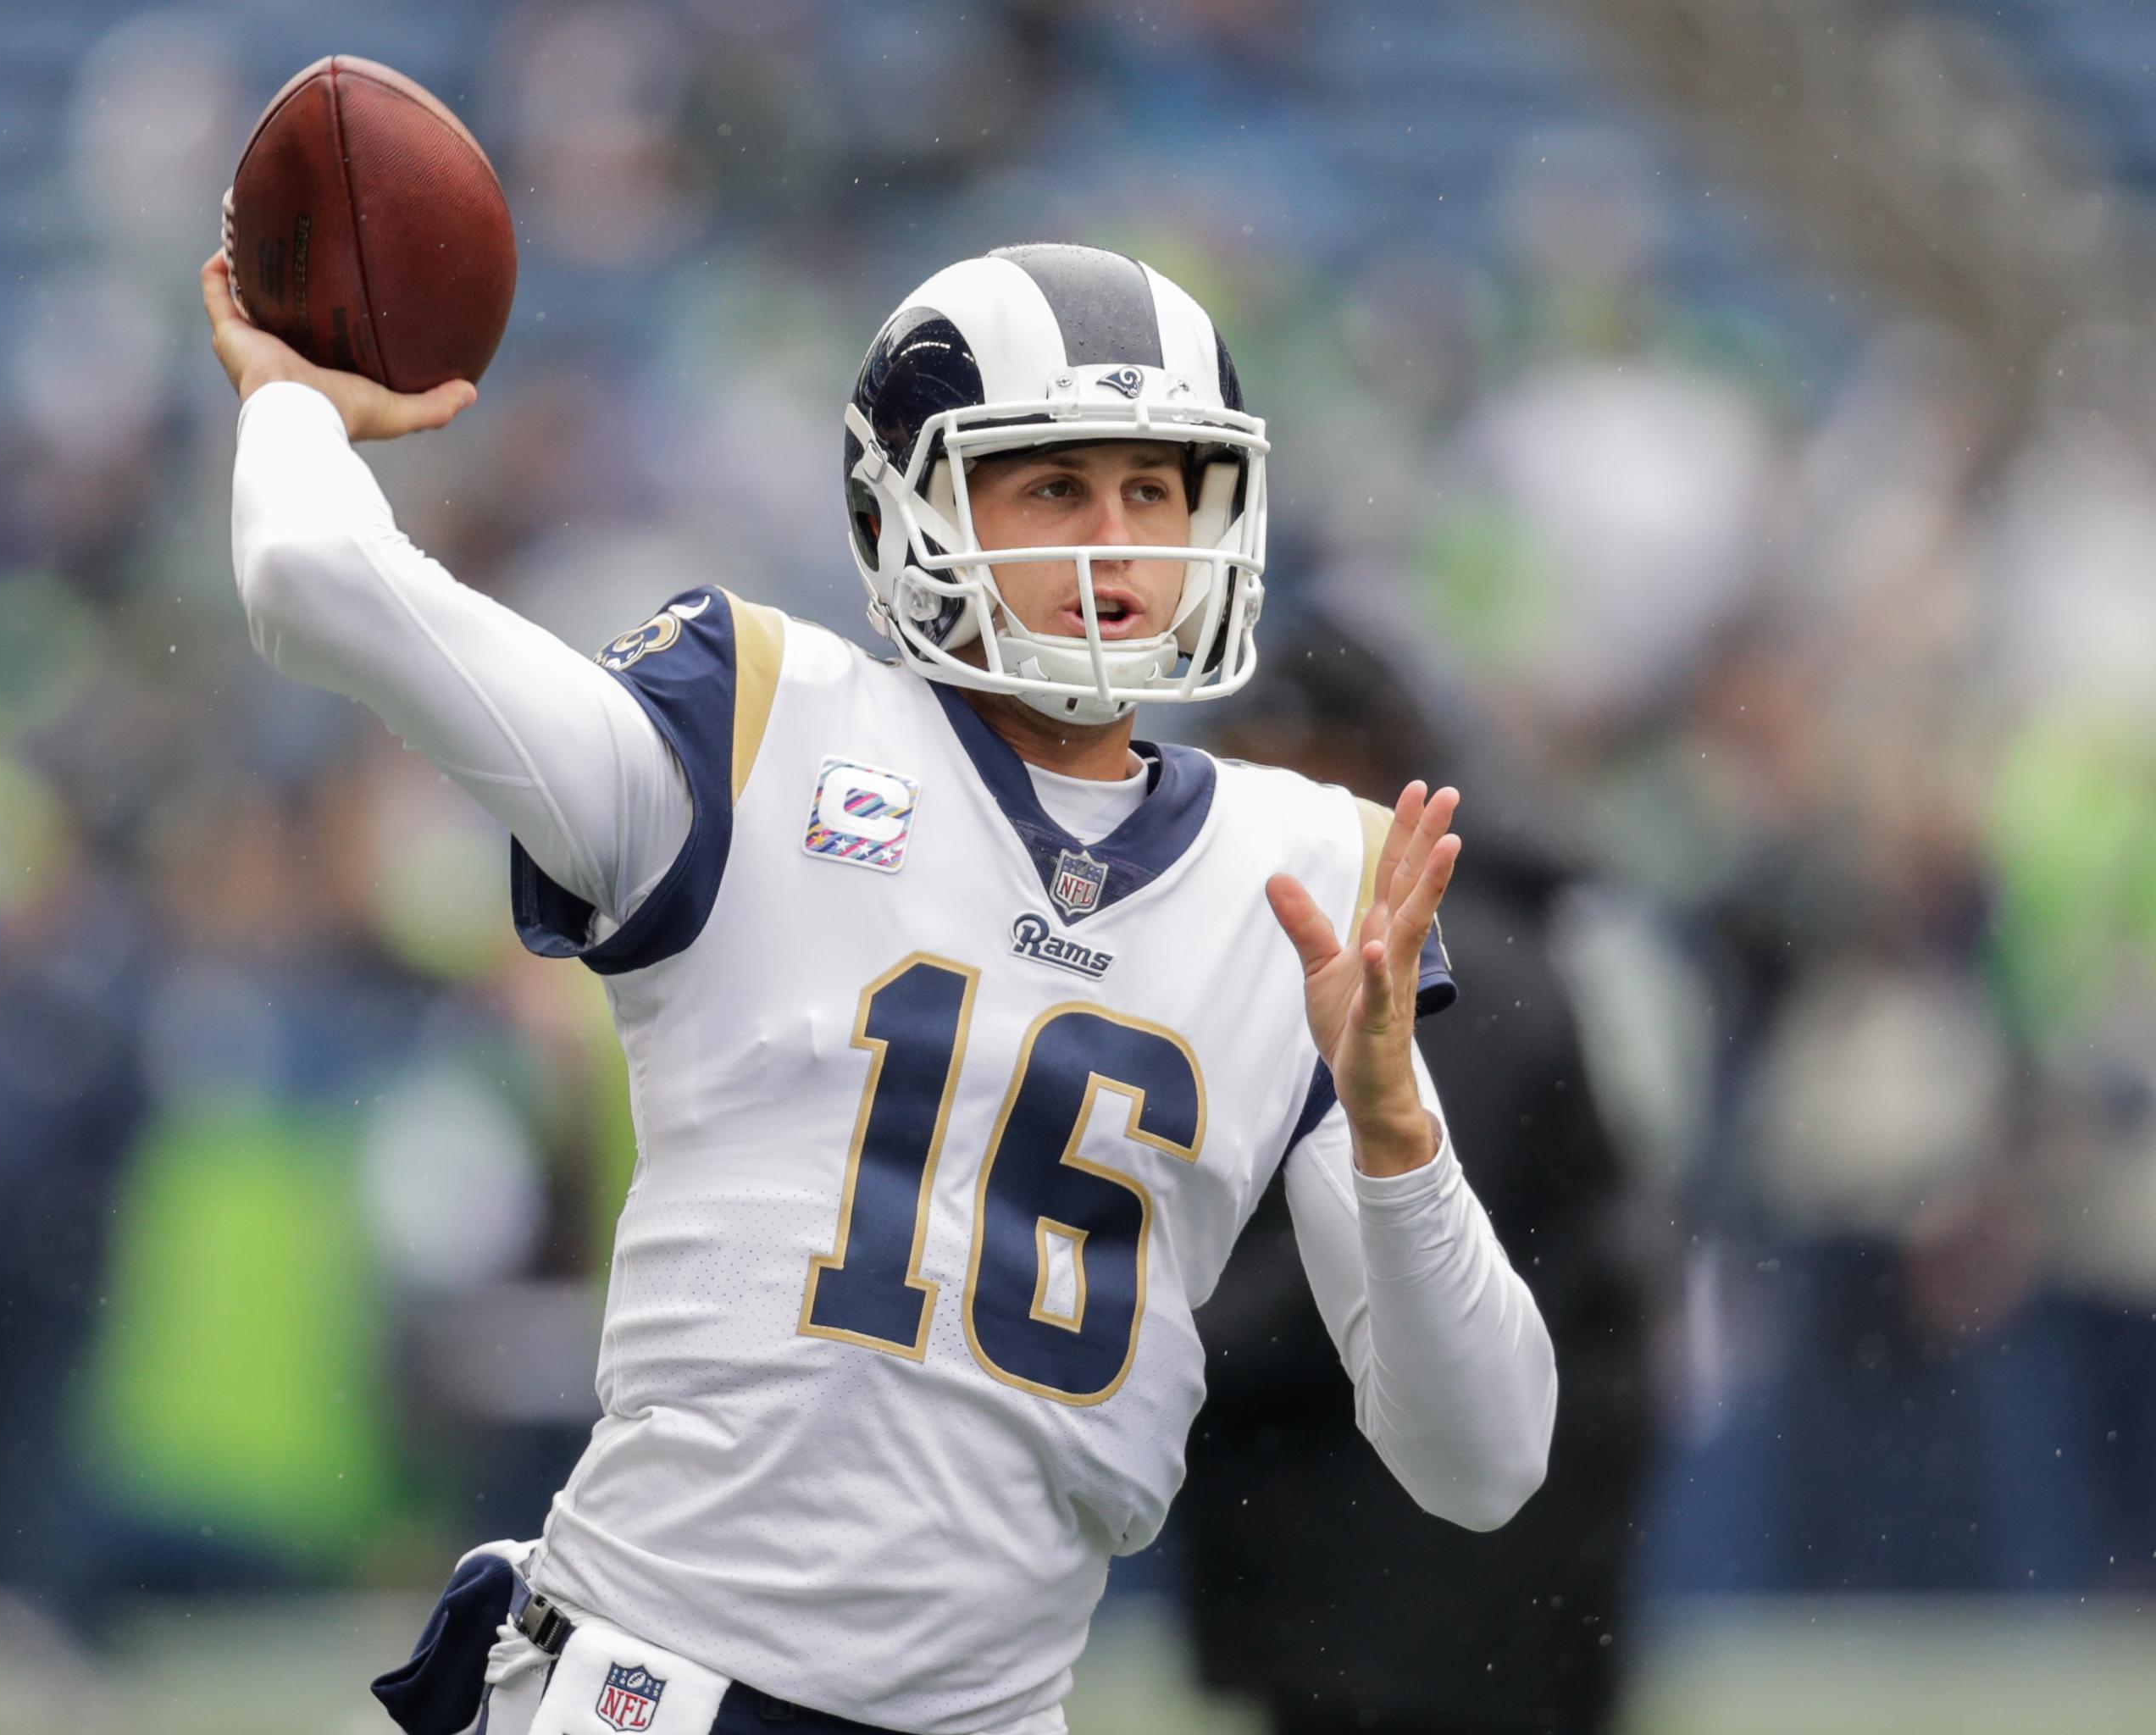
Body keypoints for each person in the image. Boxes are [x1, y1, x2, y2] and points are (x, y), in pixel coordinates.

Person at [202, 240, 1557, 1735]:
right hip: (656, 1686)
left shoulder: (1300, 873)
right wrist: (292, 403)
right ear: (899, 508)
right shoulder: (758, 725)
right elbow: (309, 575)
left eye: (1154, 491)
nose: (1115, 547)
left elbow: (1483, 1462)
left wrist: (1394, 1139)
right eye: (1054, 486)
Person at [1178, 607, 1653, 1735]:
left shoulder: (1452, 965)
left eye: (1277, 754)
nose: (1251, 791)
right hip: (1399, 1563)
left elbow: (1394, 1248)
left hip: (1433, 1575)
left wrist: (1146, 1336)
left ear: (1366, 758)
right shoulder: (1473, 938)